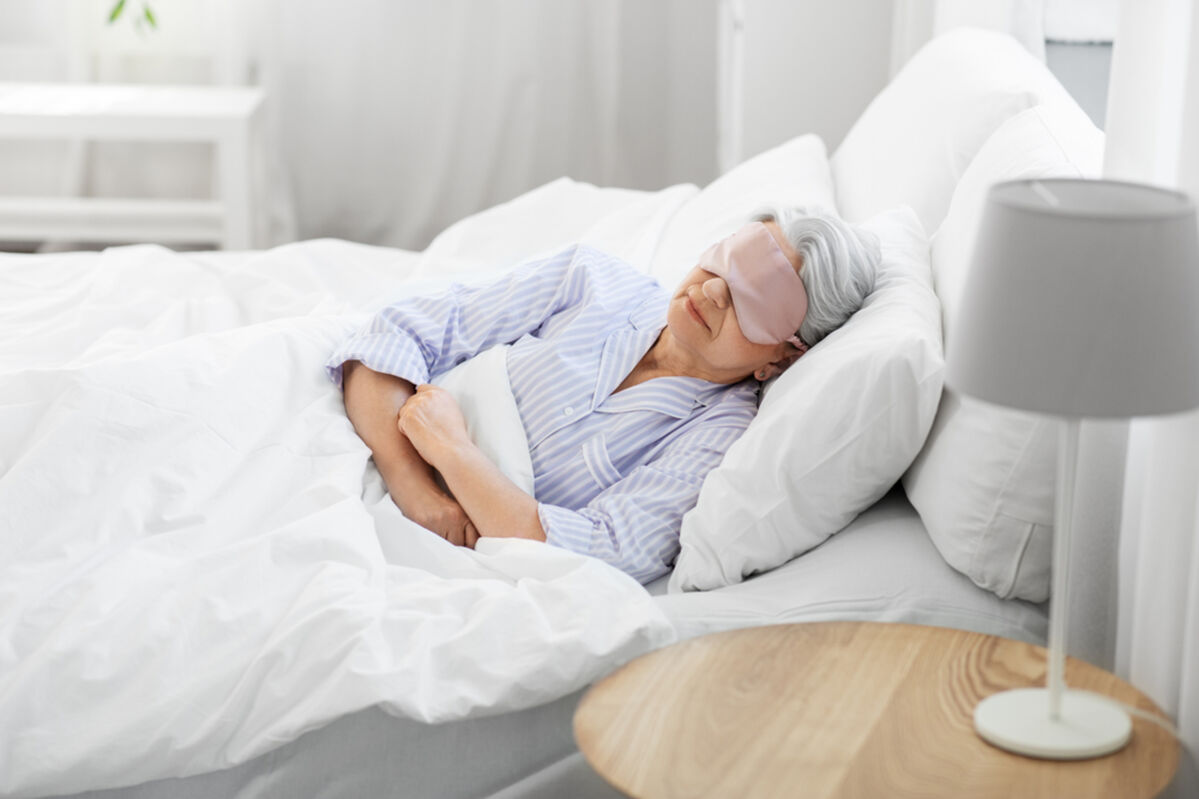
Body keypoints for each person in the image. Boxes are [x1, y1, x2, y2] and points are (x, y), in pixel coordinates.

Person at [327, 205, 880, 584]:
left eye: (751, 301)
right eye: (724, 261)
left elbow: (598, 552)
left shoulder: (718, 443)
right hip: (349, 447)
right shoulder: (589, 280)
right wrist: (413, 484)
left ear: (784, 355)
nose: (711, 291)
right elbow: (392, 335)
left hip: (430, 564)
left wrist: (455, 452)